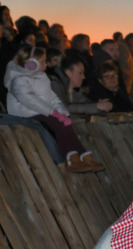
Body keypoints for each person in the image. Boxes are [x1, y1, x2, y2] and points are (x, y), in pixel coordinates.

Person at [5, 45, 103, 173]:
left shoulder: (42, 77)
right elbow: (31, 101)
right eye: (42, 62)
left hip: (42, 111)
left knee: (65, 123)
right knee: (56, 122)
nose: (46, 64)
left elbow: (52, 97)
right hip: (26, 113)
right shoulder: (18, 80)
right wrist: (54, 114)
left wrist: (62, 112)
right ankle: (70, 158)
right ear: (31, 64)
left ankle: (83, 155)